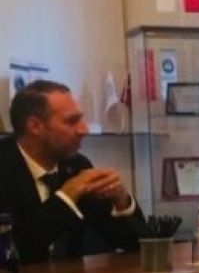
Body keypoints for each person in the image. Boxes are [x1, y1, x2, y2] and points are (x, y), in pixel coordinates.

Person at [0, 80, 147, 263]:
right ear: (35, 126)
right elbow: (14, 250)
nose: (84, 130)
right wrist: (66, 196)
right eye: (71, 121)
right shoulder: (5, 167)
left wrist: (122, 202)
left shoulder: (76, 166)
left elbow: (139, 245)